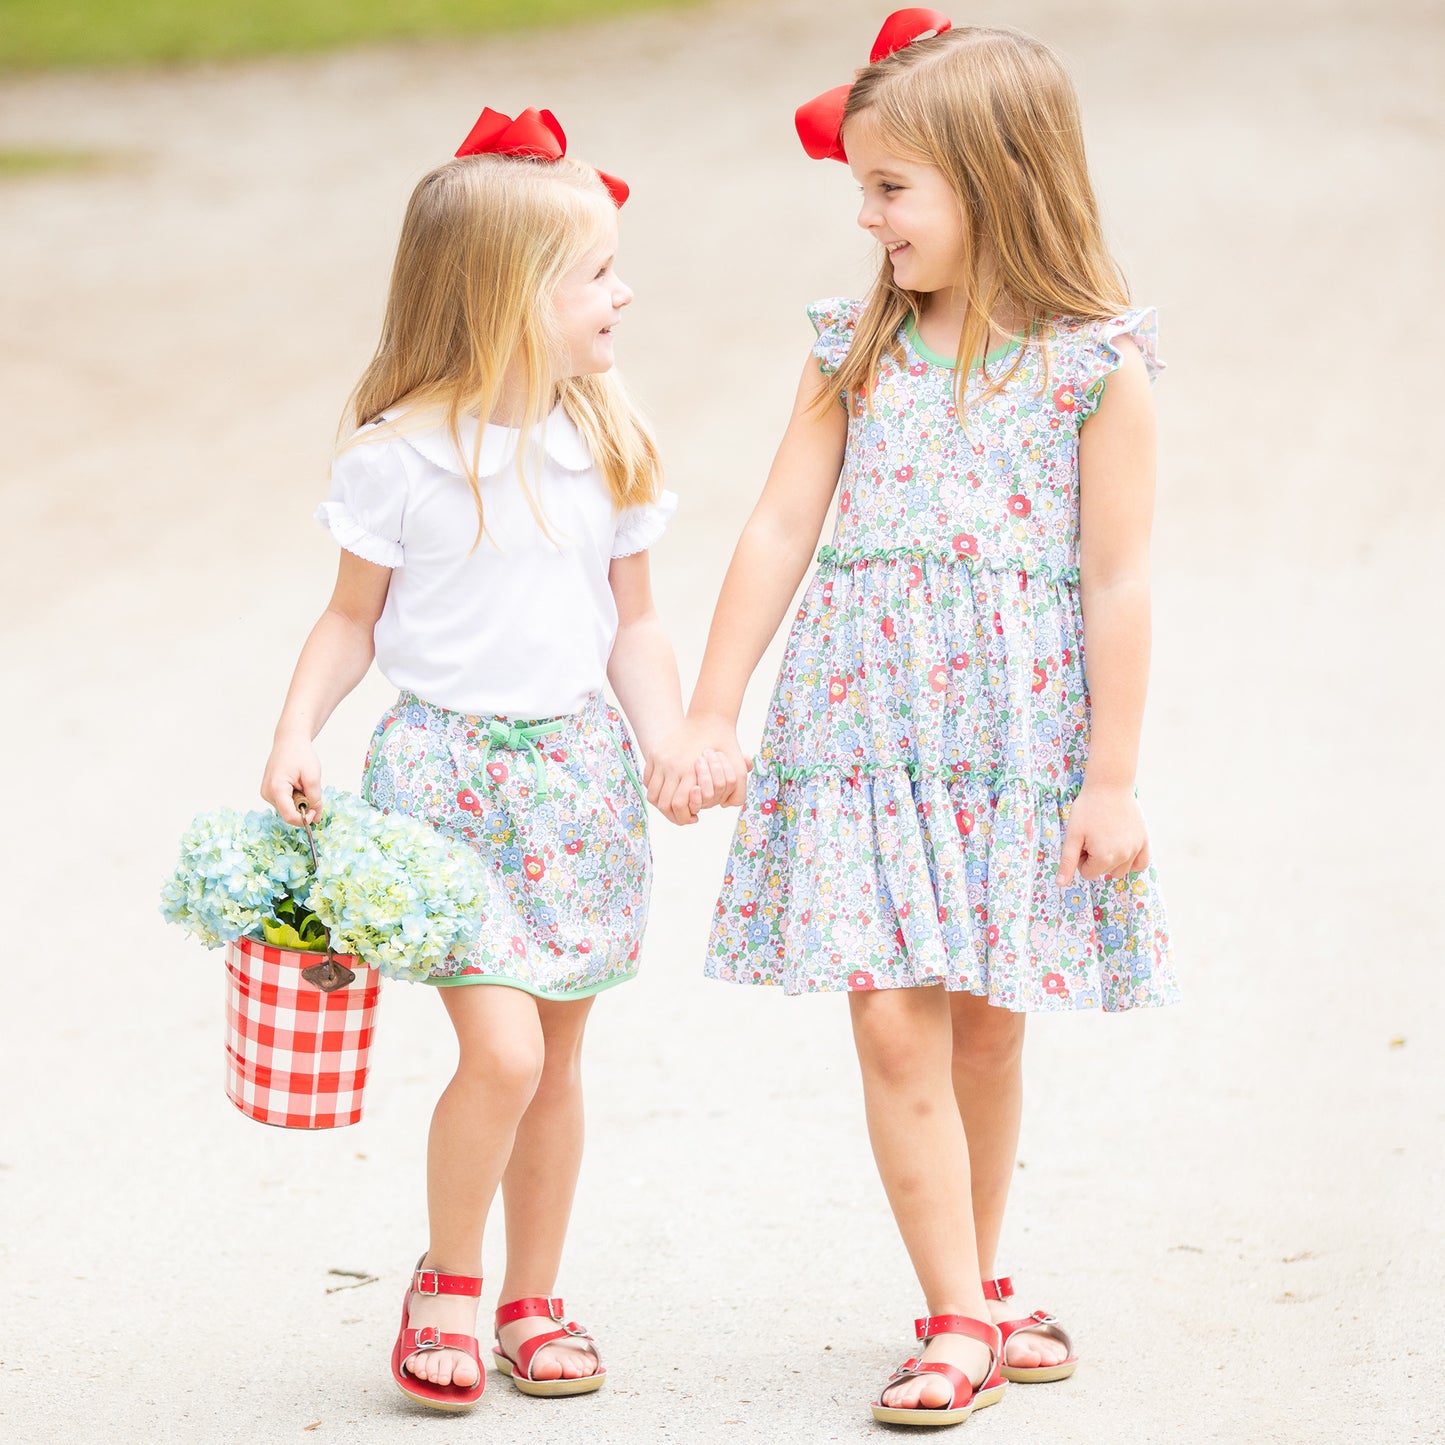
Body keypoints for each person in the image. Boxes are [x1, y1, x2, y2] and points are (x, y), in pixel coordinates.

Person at [646, 11, 1179, 1429]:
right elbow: (774, 526)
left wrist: (1109, 778)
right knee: (892, 1023)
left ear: (995, 177)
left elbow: (1117, 576)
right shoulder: (854, 340)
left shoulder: (1092, 366)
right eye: (861, 192)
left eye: (891, 188)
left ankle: (981, 1276)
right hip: (859, 727)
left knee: (990, 1034)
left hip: (1013, 745)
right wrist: (712, 705)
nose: (869, 220)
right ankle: (951, 1315)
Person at [260, 105, 728, 1413]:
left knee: (559, 1063)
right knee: (505, 1055)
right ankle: (448, 1277)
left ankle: (534, 1295)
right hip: (445, 789)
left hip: (574, 788)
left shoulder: (608, 445)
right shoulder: (399, 459)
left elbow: (632, 625)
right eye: (595, 272)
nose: (621, 291)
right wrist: (297, 728)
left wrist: (670, 739)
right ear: (504, 296)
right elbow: (350, 619)